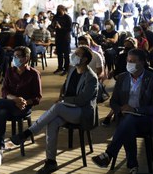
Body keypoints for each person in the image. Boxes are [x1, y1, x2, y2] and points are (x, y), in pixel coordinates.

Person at [10, 45, 98, 173]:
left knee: (57, 107)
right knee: (52, 123)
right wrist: (62, 95)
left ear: (84, 60)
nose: (73, 55)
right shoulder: (73, 69)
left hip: (82, 112)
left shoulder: (91, 77)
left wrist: (63, 100)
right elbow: (66, 86)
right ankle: (51, 161)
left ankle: (28, 133)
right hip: (67, 108)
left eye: (77, 54)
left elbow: (82, 100)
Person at [92, 49, 153, 174]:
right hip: (125, 118)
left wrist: (135, 109)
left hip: (147, 120)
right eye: (128, 61)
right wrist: (120, 110)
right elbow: (114, 102)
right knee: (129, 124)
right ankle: (132, 166)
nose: (130, 63)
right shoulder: (122, 78)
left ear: (142, 62)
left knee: (129, 121)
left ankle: (109, 154)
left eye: (133, 61)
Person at [52, 5, 72, 76]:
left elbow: (70, 29)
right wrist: (54, 25)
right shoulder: (55, 16)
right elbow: (52, 25)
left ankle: (66, 68)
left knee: (66, 54)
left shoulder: (67, 18)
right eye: (57, 9)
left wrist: (61, 27)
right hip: (58, 37)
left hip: (65, 38)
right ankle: (60, 67)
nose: (58, 11)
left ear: (63, 10)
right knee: (59, 54)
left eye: (59, 9)